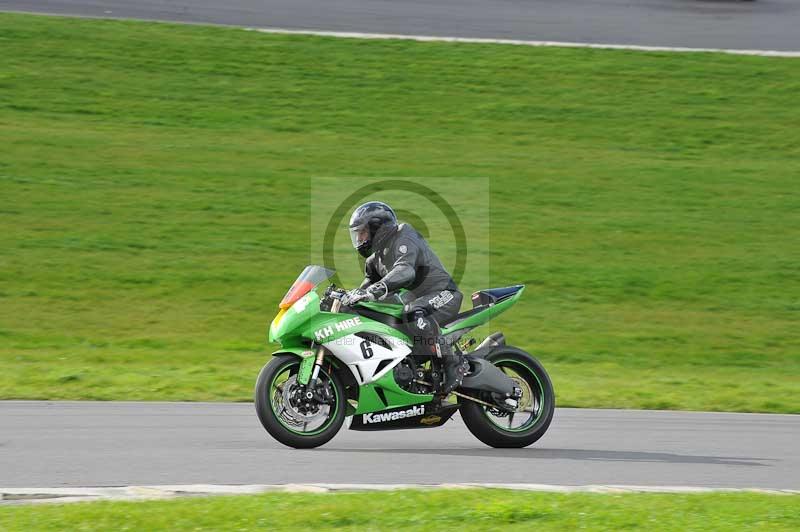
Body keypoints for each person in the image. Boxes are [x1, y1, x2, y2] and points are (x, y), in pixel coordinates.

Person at [340, 201, 467, 395]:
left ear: (378, 229)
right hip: (416, 300)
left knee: (413, 313)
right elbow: (366, 287)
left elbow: (405, 270)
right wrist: (348, 298)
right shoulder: (374, 260)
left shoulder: (404, 236)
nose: (359, 239)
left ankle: (454, 363)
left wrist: (378, 288)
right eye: (357, 234)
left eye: (363, 233)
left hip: (444, 293)